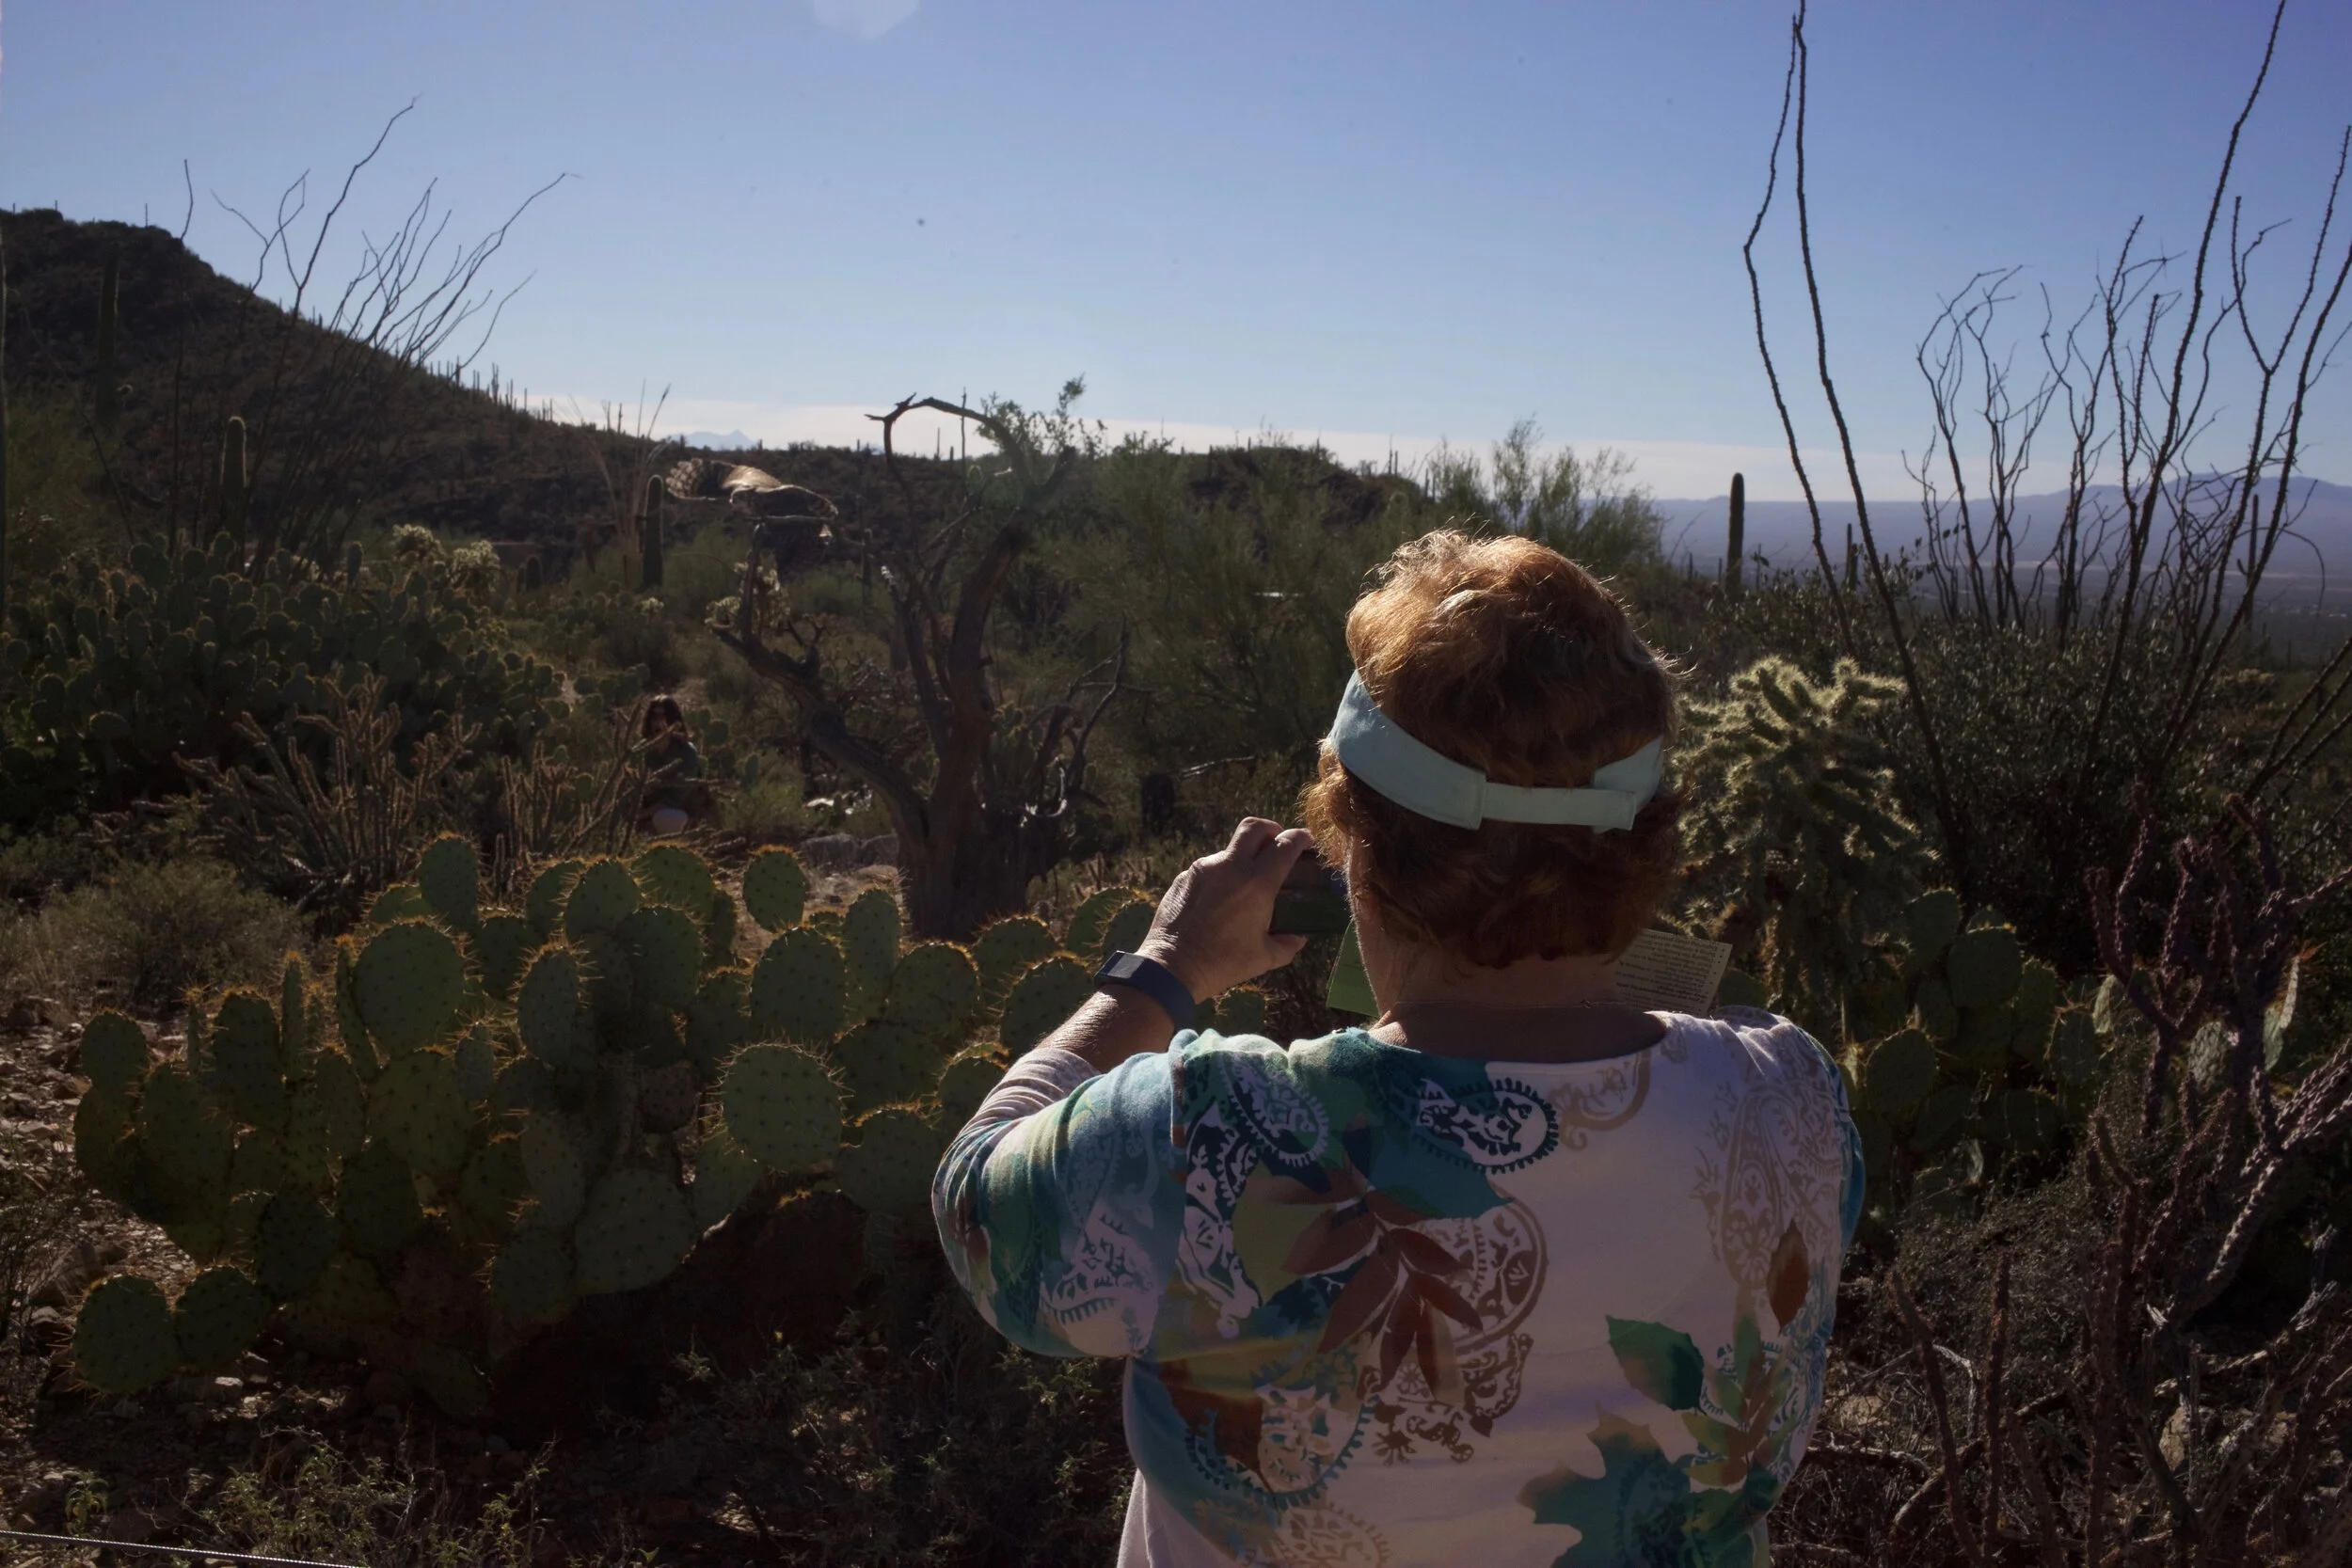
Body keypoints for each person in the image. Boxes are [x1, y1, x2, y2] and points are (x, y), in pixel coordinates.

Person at [933, 531, 1863, 1568]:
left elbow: (977, 1207)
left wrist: (1165, 967)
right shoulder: (1794, 1100)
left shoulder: (1215, 1137)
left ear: (1359, 853)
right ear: (1650, 840)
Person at [638, 695, 704, 837]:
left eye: (664, 717)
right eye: (654, 717)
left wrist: (643, 814)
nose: (659, 722)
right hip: (648, 809)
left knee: (666, 818)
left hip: (680, 811)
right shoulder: (643, 749)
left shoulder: (687, 752)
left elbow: (676, 799)